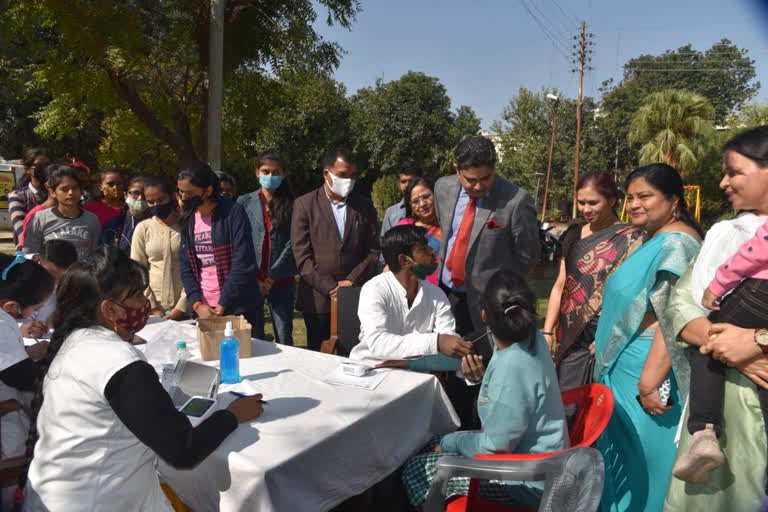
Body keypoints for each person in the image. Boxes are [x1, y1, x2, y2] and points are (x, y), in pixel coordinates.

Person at [20, 247, 264, 511]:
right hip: (97, 501)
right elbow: (183, 451)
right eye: (136, 295)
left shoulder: (74, 342)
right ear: (109, 310)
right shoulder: (120, 363)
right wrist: (233, 414)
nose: (144, 302)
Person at [663, 125, 768, 511]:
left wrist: (755, 342)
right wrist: (726, 342)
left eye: (734, 172)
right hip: (727, 406)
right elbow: (684, 307)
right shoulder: (727, 233)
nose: (724, 182)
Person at [401, 271, 568, 509]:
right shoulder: (532, 339)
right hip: (540, 458)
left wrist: (450, 444)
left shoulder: (512, 366)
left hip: (525, 480)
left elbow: (494, 446)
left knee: (417, 468)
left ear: (483, 315)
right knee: (431, 442)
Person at [591, 163, 703, 512]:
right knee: (626, 461)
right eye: (629, 197)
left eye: (645, 196)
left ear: (673, 200)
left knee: (647, 466)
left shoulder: (677, 243)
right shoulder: (655, 239)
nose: (634, 204)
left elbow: (674, 316)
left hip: (646, 372)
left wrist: (649, 383)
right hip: (628, 364)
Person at [434, 135, 538, 429]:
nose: (479, 186)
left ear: (495, 168)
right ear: (457, 170)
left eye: (486, 178)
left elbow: (528, 256)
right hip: (446, 297)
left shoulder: (516, 199)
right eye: (471, 180)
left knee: (483, 377)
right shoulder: (443, 188)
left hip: (486, 307)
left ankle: (482, 439)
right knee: (449, 370)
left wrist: (499, 295)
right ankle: (450, 431)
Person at [542, 170, 643, 396]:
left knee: (600, 399)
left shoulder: (631, 239)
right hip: (568, 332)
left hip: (605, 332)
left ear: (612, 200)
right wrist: (548, 331)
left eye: (593, 203)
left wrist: (610, 334)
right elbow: (560, 285)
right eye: (581, 202)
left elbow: (631, 296)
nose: (586, 209)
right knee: (566, 397)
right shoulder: (573, 235)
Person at [291, 147, 379, 351]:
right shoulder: (305, 205)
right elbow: (302, 256)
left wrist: (351, 282)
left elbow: (374, 251)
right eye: (342, 175)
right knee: (320, 359)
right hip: (318, 301)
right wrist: (331, 288)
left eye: (353, 175)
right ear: (326, 174)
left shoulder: (364, 206)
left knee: (356, 357)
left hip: (355, 298)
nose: (348, 180)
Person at [350, 224, 471, 365]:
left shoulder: (436, 294)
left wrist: (462, 355)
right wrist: (436, 341)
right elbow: (379, 344)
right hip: (370, 369)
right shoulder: (374, 289)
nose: (432, 251)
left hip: (416, 371)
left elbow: (448, 338)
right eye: (423, 249)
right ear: (404, 260)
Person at [0, 253, 54, 509]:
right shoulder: (2, 324)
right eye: (34, 309)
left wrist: (27, 353)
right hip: (6, 416)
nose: (36, 314)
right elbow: (21, 378)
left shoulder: (5, 321)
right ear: (11, 305)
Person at [177, 161, 261, 324]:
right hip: (203, 308)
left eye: (189, 193)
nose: (183, 197)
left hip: (237, 305)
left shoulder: (233, 213)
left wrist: (223, 304)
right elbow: (186, 267)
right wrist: (197, 304)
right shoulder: (187, 218)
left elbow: (242, 262)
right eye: (180, 191)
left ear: (208, 190)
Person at [237, 150, 297, 345]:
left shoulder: (293, 205)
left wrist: (271, 278)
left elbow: (293, 243)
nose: (270, 176)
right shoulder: (243, 202)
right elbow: (241, 242)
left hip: (281, 280)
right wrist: (256, 278)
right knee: (254, 338)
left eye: (276, 172)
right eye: (266, 171)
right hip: (252, 281)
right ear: (257, 173)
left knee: (284, 336)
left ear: (284, 174)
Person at [131, 175, 188, 321]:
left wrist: (181, 307)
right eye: (151, 202)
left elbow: (195, 269)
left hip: (186, 309)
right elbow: (138, 271)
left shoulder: (187, 226)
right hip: (151, 311)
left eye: (161, 200)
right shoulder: (143, 228)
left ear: (173, 196)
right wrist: (152, 307)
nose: (156, 205)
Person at [23, 165, 101, 259]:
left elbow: (95, 255)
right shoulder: (40, 218)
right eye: (64, 189)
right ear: (52, 192)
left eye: (75, 188)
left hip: (82, 273)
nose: (71, 193)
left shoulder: (92, 219)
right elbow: (28, 253)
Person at [20, 239, 78, 327]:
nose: (56, 283)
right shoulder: (12, 273)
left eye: (63, 279)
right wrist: (20, 328)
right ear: (37, 260)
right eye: (51, 277)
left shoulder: (78, 276)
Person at [395, 178, 442, 286]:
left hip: (444, 291)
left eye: (426, 197)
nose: (422, 204)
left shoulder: (448, 225)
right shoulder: (404, 227)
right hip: (413, 289)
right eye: (415, 201)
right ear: (410, 206)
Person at [8, 148, 50, 245]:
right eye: (39, 165)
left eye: (47, 164)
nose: (44, 168)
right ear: (27, 169)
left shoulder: (56, 193)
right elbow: (23, 232)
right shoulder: (18, 196)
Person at [101, 176, 146, 254]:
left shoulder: (159, 222)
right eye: (135, 193)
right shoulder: (113, 225)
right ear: (125, 195)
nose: (140, 198)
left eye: (144, 194)